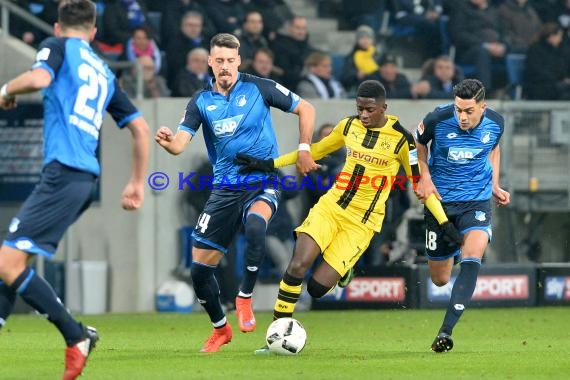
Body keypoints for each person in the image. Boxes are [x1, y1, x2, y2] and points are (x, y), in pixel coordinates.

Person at [234, 80, 463, 354]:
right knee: (297, 266)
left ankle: (346, 269)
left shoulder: (402, 140)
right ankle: (275, 337)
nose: (363, 115)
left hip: (361, 223)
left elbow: (421, 186)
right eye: (359, 108)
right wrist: (269, 164)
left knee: (317, 289)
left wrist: (444, 222)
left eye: (369, 109)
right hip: (330, 208)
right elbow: (316, 150)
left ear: (383, 108)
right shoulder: (348, 126)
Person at [0, 0, 150, 378]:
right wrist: (136, 181)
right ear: (95, 31)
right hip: (84, 179)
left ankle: (75, 334)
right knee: (16, 262)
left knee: (7, 263)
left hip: (64, 174)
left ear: (57, 26)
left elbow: (38, 79)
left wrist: (5, 89)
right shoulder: (103, 70)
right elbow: (141, 128)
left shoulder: (57, 46)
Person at [154, 33, 318, 353]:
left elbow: (306, 108)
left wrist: (303, 148)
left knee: (257, 226)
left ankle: (244, 297)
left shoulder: (260, 87)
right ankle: (220, 328)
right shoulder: (201, 102)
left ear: (239, 61)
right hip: (224, 189)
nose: (225, 66)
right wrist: (167, 141)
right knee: (200, 270)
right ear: (210, 64)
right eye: (219, 61)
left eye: (231, 60)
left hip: (261, 180)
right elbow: (179, 145)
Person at [413, 78, 510, 353]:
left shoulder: (496, 123)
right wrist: (425, 178)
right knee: (440, 278)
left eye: (468, 111)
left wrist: (494, 185)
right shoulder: (437, 119)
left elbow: (494, 148)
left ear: (482, 107)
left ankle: (446, 331)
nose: (462, 117)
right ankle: (453, 250)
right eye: (459, 110)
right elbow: (418, 144)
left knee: (472, 258)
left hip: (476, 203)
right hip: (440, 204)